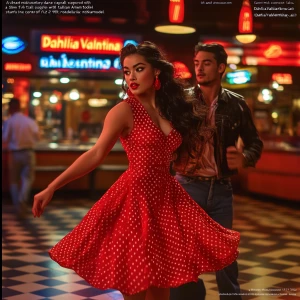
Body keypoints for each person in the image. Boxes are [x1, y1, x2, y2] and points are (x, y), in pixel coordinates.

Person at [32, 41, 240, 300]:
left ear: (156, 72)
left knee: (162, 287)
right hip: (136, 202)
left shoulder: (170, 109)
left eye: (138, 69)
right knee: (137, 287)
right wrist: (52, 187)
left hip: (167, 200)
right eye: (126, 71)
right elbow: (95, 154)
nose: (130, 77)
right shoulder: (124, 110)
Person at [171, 43, 263, 300]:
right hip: (187, 186)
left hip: (221, 189)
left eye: (206, 63)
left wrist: (244, 157)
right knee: (185, 257)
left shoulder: (236, 104)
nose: (199, 68)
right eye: (196, 62)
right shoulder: (183, 102)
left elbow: (255, 142)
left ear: (221, 67)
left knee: (226, 259)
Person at [2, 98, 39, 218]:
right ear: (19, 107)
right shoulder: (29, 121)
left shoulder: (10, 121)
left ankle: (17, 204)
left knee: (13, 181)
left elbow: (4, 139)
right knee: (28, 179)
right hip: (29, 153)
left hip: (14, 153)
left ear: (10, 108)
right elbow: (38, 137)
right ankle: (23, 198)